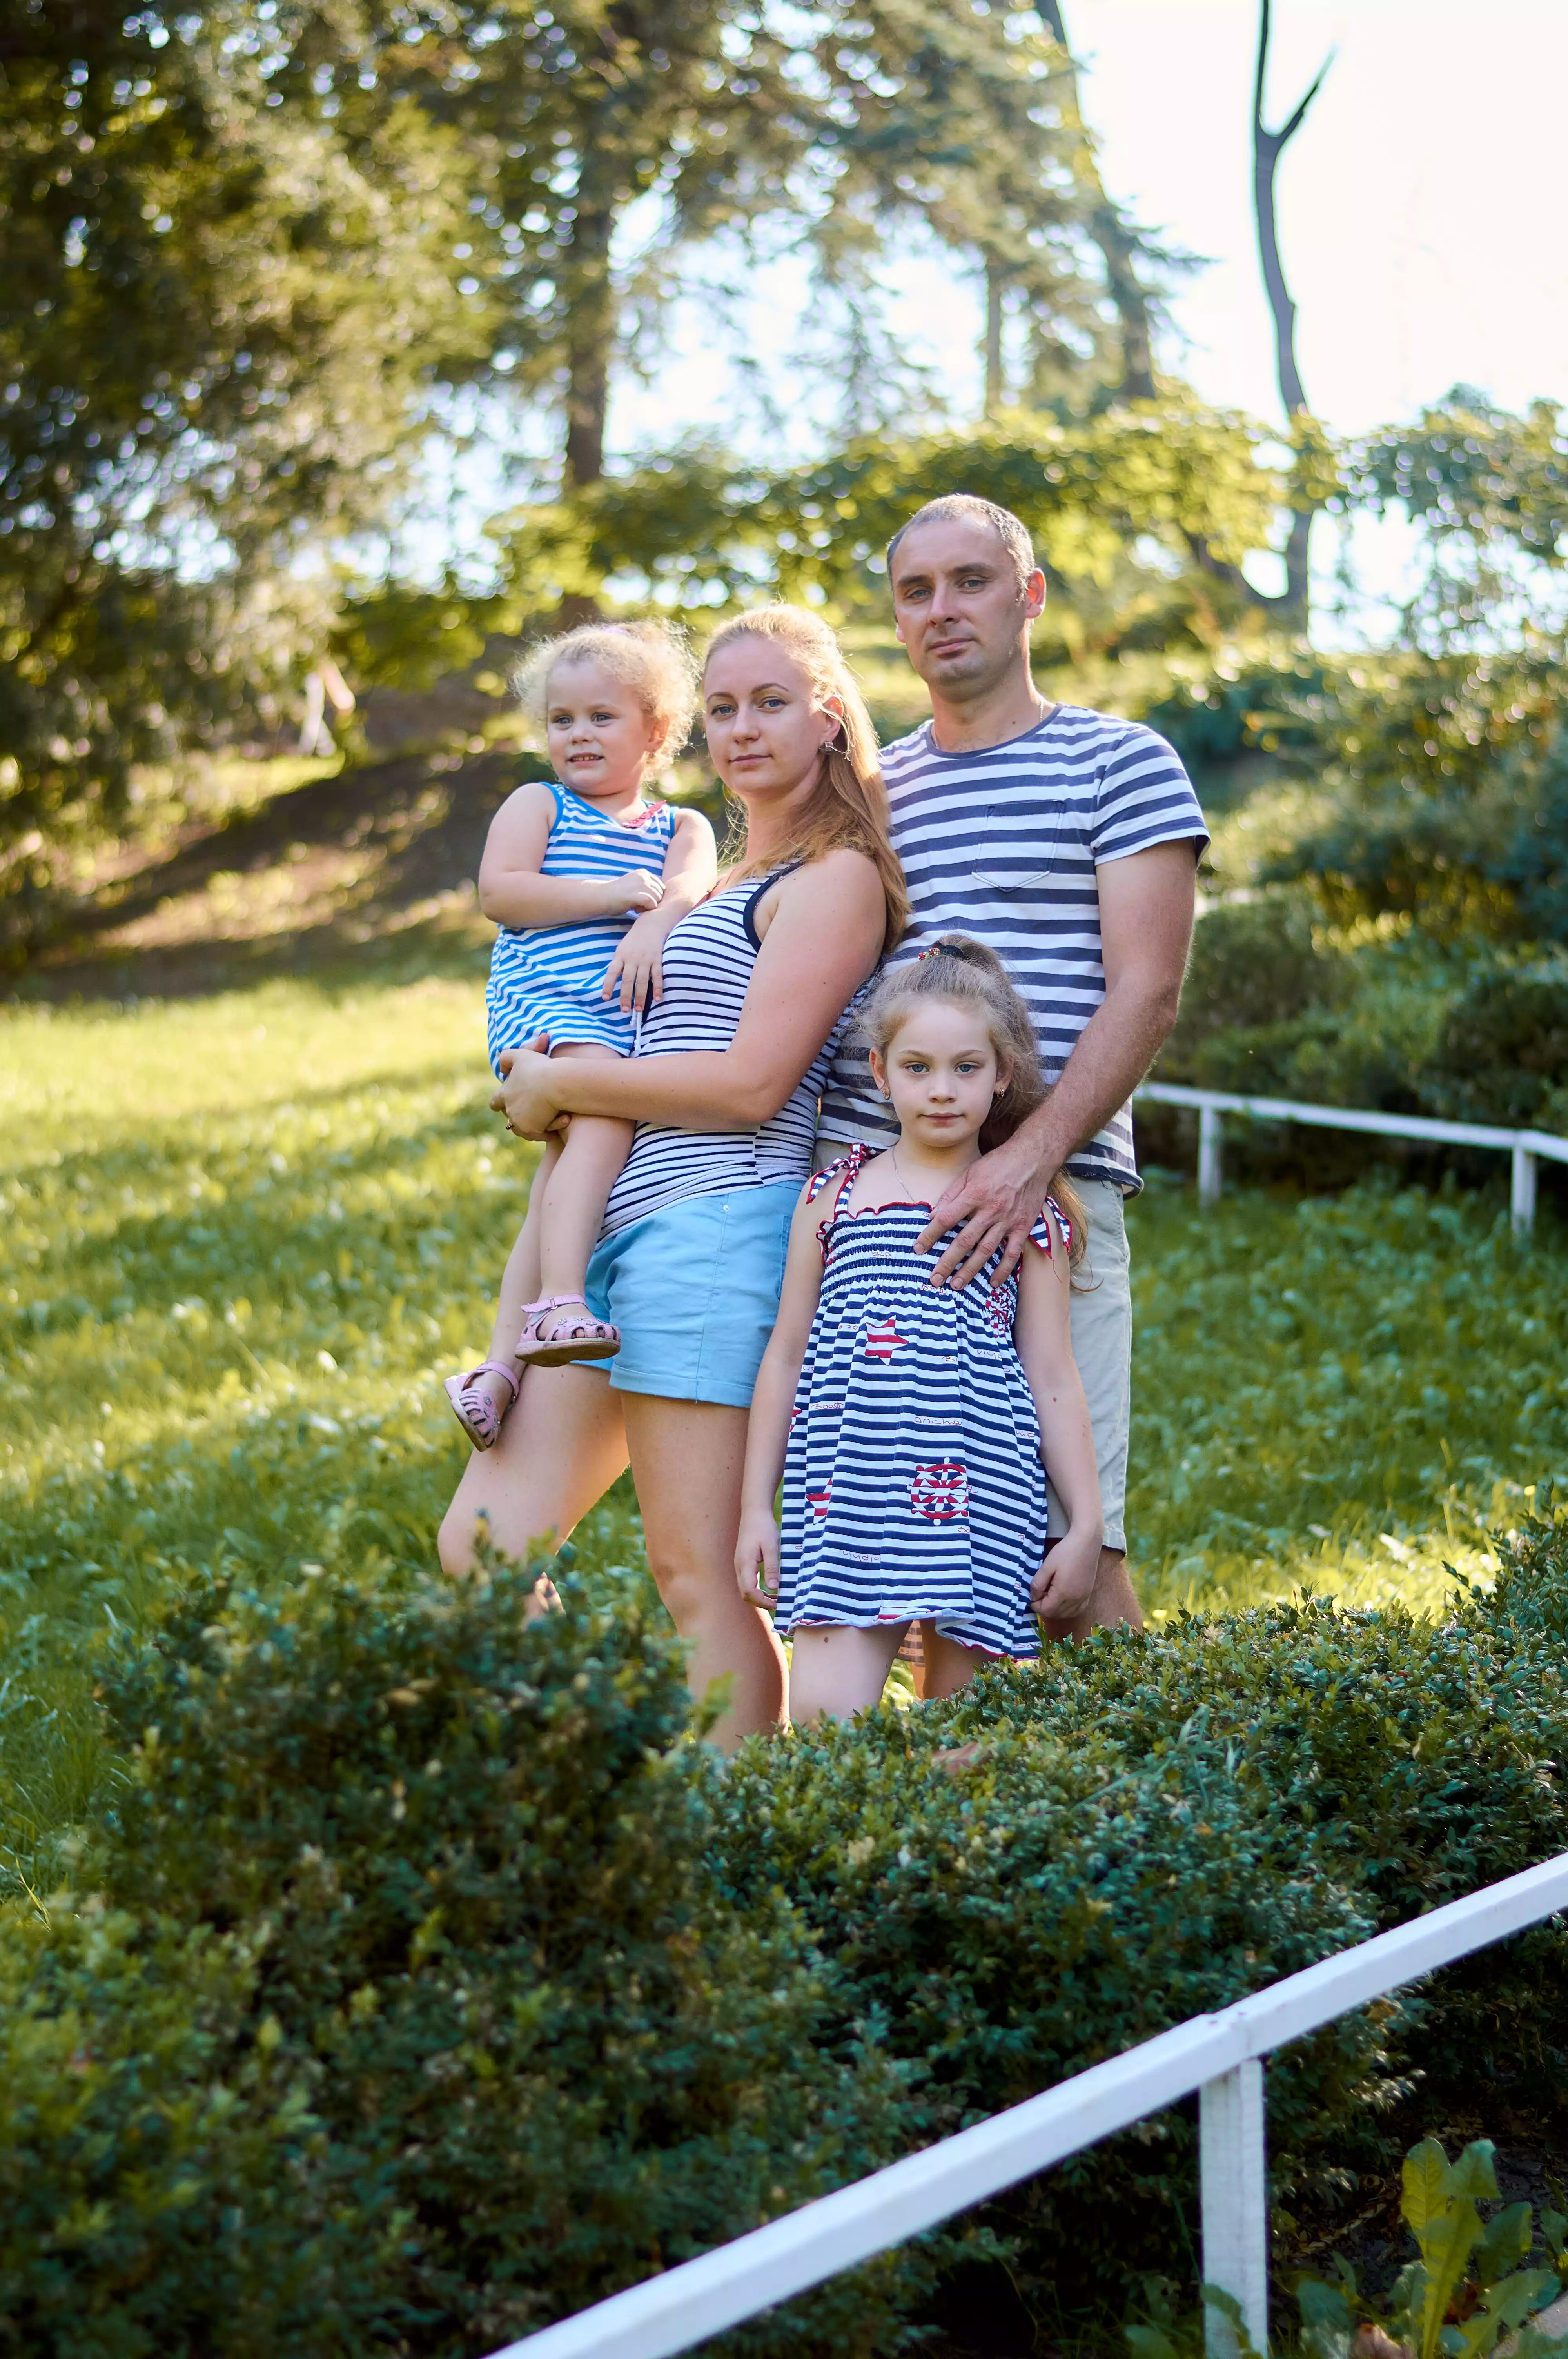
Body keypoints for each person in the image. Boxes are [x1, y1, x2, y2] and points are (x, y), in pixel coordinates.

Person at [439, 605, 908, 1749]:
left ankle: (743, 1839)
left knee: (696, 1579)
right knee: (484, 1550)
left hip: (714, 1231)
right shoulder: (720, 864)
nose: (743, 728)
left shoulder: (836, 878)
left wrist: (568, 1094)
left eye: (773, 703)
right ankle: (623, 1784)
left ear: (829, 717)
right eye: (727, 707)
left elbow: (755, 1088)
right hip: (616, 1242)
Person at [816, 493, 1208, 1641]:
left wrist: (1030, 1160)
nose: (943, 610)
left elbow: (1148, 989)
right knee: (892, 1549)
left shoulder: (1122, 762)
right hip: (882, 1206)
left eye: (972, 581)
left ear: (1029, 595)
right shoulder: (874, 794)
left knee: (1070, 1552)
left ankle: (1180, 1811)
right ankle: (922, 1808)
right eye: (916, 590)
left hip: (1051, 1198)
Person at [736, 937, 1103, 1724]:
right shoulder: (830, 1197)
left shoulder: (1021, 1212)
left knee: (965, 1746)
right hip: (845, 1498)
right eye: (917, 1067)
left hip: (982, 1498)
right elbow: (784, 1358)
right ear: (879, 1072)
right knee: (827, 1731)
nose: (941, 1090)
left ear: (1000, 1074)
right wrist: (753, 1508)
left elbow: (1051, 1376)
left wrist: (1084, 1525)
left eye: (966, 1068)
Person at [444, 621, 717, 1450]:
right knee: (602, 1122)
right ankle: (562, 1301)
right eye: (561, 719)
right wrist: (612, 898)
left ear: (656, 732)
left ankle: (496, 1368)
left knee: (561, 1176)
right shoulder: (539, 804)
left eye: (601, 717)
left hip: (613, 1020)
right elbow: (502, 892)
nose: (577, 734)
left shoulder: (681, 826)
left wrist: (652, 921)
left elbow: (689, 889)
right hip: (550, 1007)